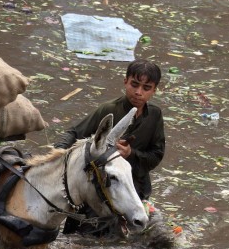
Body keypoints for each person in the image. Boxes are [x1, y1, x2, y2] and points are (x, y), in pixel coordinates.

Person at [54, 60, 166, 239]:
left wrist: (131, 154)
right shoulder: (108, 110)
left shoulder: (154, 115)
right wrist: (57, 155)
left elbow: (156, 155)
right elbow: (74, 133)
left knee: (154, 237)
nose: (138, 92)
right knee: (82, 237)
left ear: (154, 90)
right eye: (134, 85)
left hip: (133, 187)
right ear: (125, 82)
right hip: (102, 187)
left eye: (146, 87)